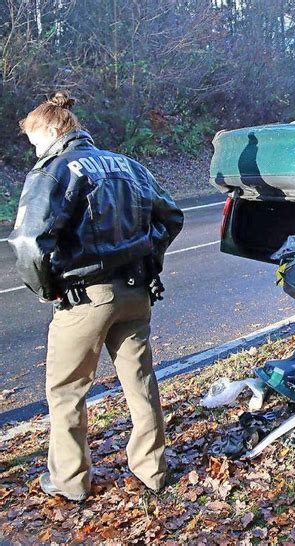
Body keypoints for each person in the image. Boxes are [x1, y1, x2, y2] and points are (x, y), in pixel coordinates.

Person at [8, 91, 184, 502]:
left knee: (67, 389)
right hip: (135, 291)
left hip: (84, 298)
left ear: (52, 129)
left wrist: (47, 288)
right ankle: (153, 471)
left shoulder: (53, 171)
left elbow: (30, 243)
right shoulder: (129, 165)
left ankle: (70, 481)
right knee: (140, 381)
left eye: (34, 138)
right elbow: (172, 217)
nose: (33, 148)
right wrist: (149, 257)